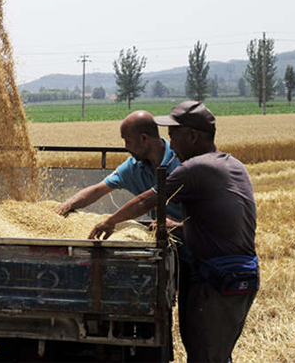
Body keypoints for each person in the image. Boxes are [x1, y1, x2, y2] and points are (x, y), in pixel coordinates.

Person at [89, 101, 258, 363]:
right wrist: (178, 227)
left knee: (205, 355)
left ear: (192, 136)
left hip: (218, 278)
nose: (169, 140)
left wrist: (109, 222)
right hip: (238, 274)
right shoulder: (231, 164)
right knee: (210, 352)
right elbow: (219, 224)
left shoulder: (195, 167)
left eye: (173, 133)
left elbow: (148, 200)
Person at [56, 110, 183, 223]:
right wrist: (66, 205)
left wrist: (179, 225)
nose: (126, 147)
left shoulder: (181, 160)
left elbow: (201, 215)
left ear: (144, 138)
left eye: (128, 141)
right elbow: (97, 190)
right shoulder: (133, 167)